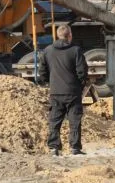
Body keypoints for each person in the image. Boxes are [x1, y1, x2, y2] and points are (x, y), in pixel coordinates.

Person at [37, 24, 89, 156]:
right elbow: (82, 71)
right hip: (73, 92)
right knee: (74, 120)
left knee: (54, 120)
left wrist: (50, 82)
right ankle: (75, 148)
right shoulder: (76, 50)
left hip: (55, 91)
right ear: (69, 35)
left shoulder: (48, 50)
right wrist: (81, 84)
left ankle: (54, 148)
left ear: (57, 36)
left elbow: (42, 71)